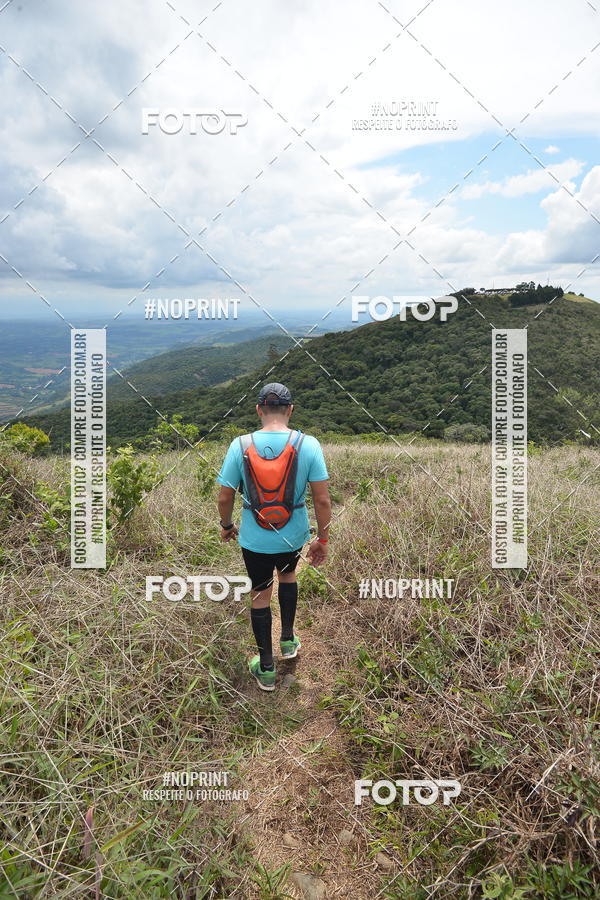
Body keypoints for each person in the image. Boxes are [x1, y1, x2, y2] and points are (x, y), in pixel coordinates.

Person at [216, 383, 331, 691]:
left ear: (259, 410)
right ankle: (289, 642)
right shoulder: (308, 444)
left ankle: (266, 668)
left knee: (260, 594)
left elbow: (225, 496)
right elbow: (322, 500)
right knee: (289, 575)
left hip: (255, 539)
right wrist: (322, 539)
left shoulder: (239, 444)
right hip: (292, 536)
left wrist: (227, 525)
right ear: (290, 410)